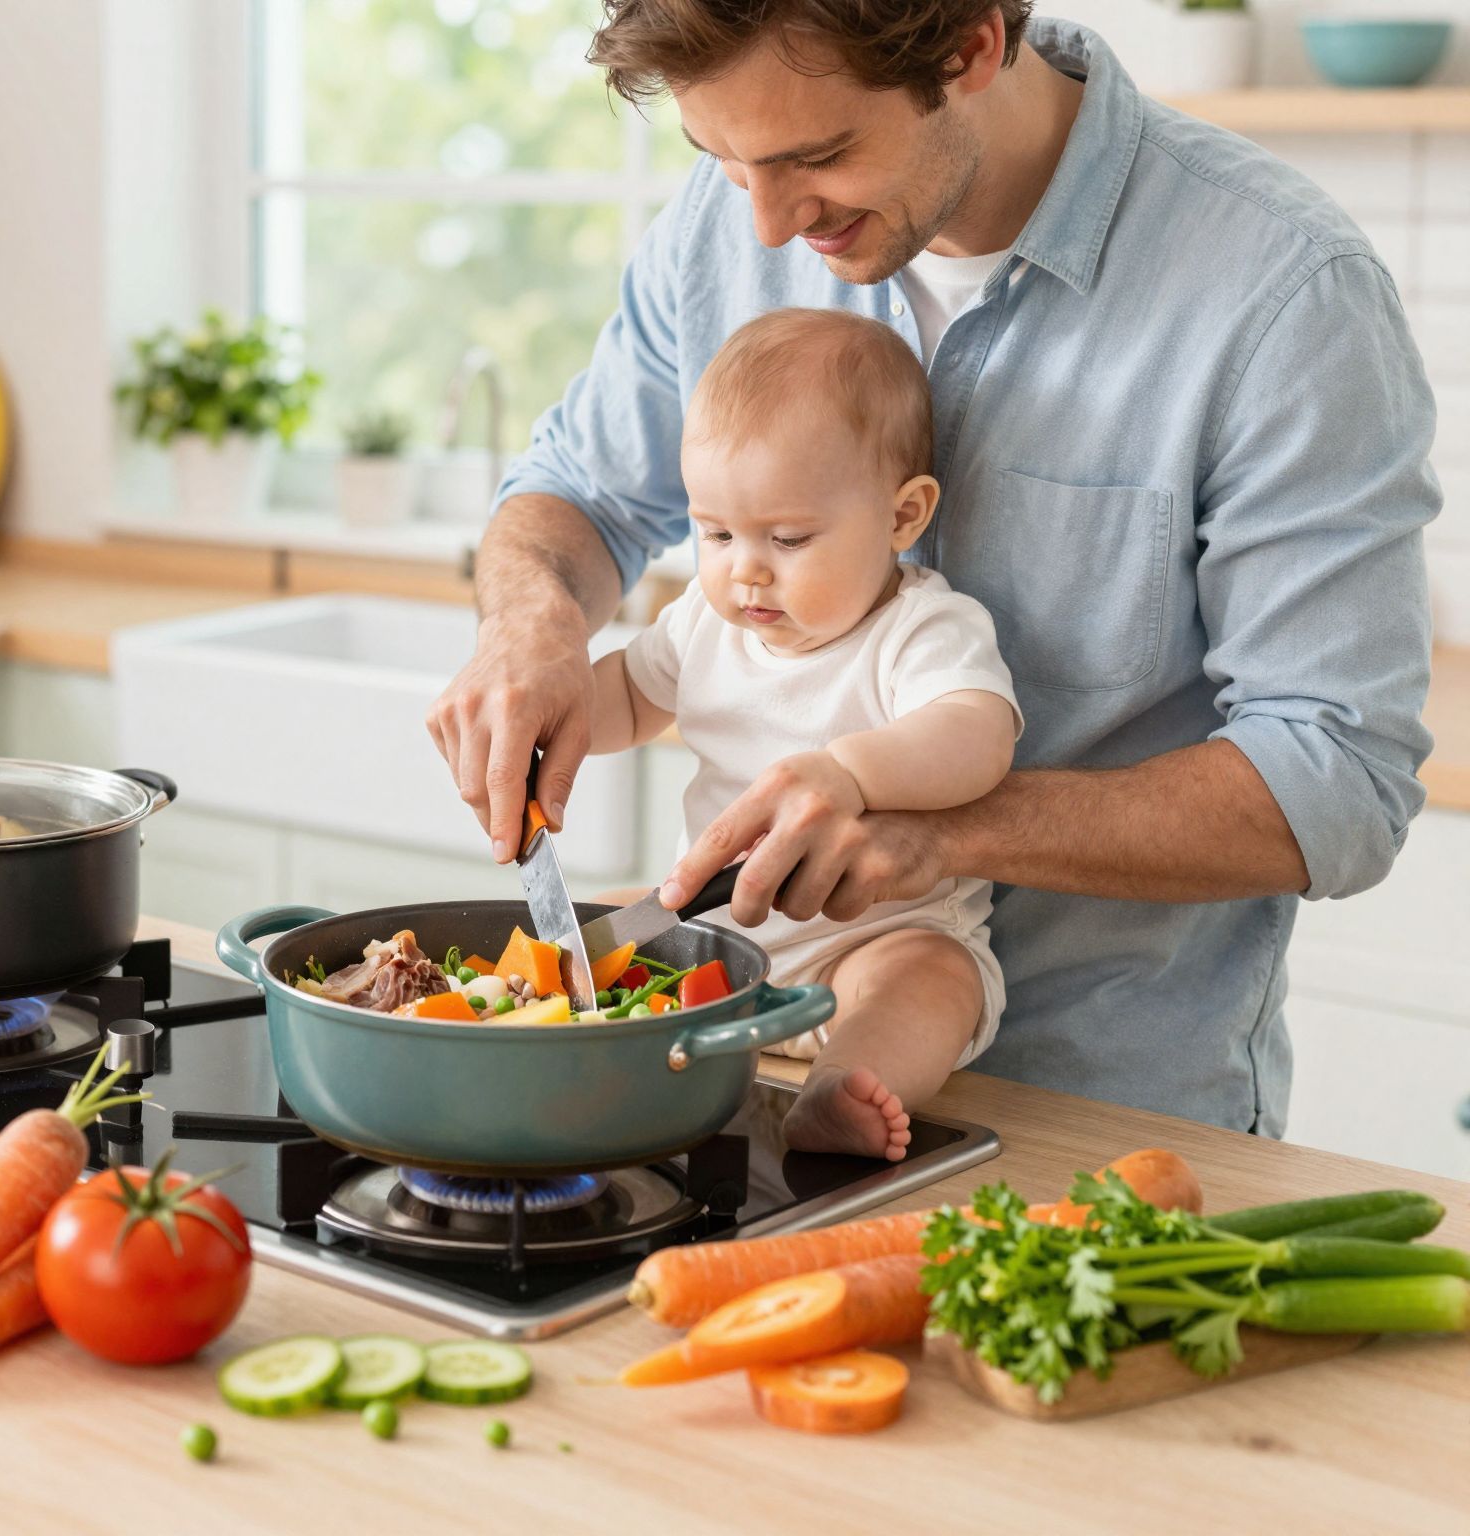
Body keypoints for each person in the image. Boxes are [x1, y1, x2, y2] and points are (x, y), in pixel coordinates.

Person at [426, 3, 1439, 1134]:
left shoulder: (1280, 291)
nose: (761, 225)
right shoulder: (732, 216)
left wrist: (935, 830)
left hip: (1105, 1124)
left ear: (968, 47)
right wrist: (528, 626)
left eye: (816, 156)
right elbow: (579, 492)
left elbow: (1334, 778)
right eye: (718, 159)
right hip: (737, 1095)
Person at [591, 307, 1019, 1158]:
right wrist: (555, 711)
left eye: (786, 538)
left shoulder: (920, 629)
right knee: (579, 925)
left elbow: (978, 734)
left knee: (931, 981)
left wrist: (849, 773)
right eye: (714, 532)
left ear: (904, 517)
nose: (744, 568)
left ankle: (838, 1094)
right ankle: (545, 1046)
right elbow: (629, 700)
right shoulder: (704, 624)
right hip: (706, 941)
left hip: (864, 943)